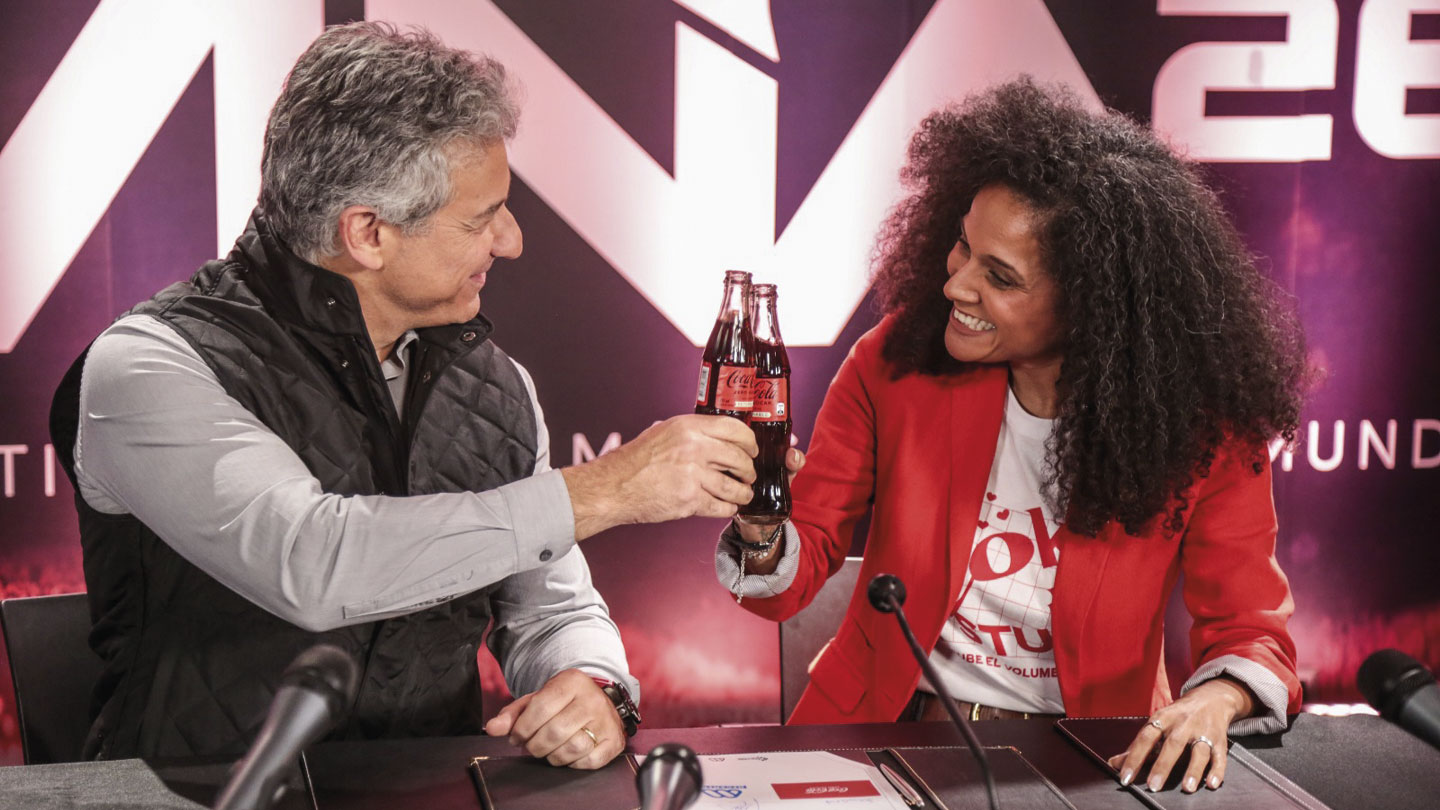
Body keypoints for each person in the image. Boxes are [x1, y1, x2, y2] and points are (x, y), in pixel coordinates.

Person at [49, 22, 757, 767]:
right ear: (368, 233)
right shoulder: (150, 366)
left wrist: (591, 681)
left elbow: (551, 609)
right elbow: (313, 562)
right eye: (481, 218)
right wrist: (611, 488)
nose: (511, 240)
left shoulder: (497, 386)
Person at [717, 78, 1307, 794]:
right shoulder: (893, 364)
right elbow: (786, 581)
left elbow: (1251, 629)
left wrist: (1217, 699)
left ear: (1093, 303)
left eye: (999, 276)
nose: (956, 286)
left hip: (1089, 761)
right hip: (882, 734)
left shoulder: (1202, 429)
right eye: (963, 248)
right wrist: (760, 530)